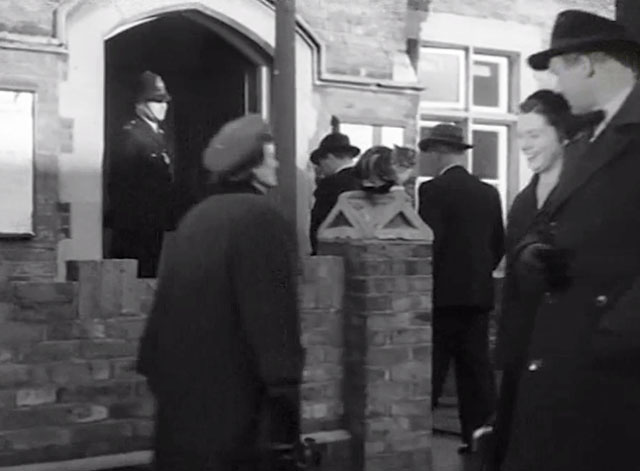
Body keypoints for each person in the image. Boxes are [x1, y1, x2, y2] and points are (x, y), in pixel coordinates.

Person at [501, 10, 640, 471]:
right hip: (560, 358)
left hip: (615, 372)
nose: (557, 87)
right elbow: (549, 220)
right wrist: (529, 252)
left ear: (589, 63)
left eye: (560, 71)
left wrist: (613, 334)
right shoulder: (586, 139)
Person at [136, 114, 304, 471]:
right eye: (270, 156)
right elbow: (272, 318)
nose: (275, 162)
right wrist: (285, 399)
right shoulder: (261, 219)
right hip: (235, 407)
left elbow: (164, 313)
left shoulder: (197, 217)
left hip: (182, 401)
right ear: (253, 166)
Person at [487, 90, 580, 471]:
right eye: (520, 136)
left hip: (566, 349)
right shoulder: (524, 200)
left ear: (563, 134)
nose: (524, 145)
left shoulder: (584, 193)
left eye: (535, 135)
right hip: (521, 347)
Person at [417, 123, 505, 453]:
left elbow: (428, 245)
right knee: (477, 376)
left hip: (440, 298)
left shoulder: (433, 191)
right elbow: (499, 243)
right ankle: (480, 440)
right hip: (478, 296)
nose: (425, 160)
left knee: (431, 374)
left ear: (438, 152)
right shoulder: (488, 192)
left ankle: (413, 442)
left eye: (427, 153)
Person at [106, 71, 175, 278]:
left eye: (164, 101)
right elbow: (122, 184)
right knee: (137, 278)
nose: (163, 106)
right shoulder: (131, 136)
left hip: (154, 222)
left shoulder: (158, 135)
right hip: (135, 226)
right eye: (156, 100)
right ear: (140, 103)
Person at [309, 128, 361, 255]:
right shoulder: (365, 179)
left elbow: (319, 223)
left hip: (334, 251)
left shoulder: (330, 184)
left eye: (321, 163)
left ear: (329, 157)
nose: (321, 168)